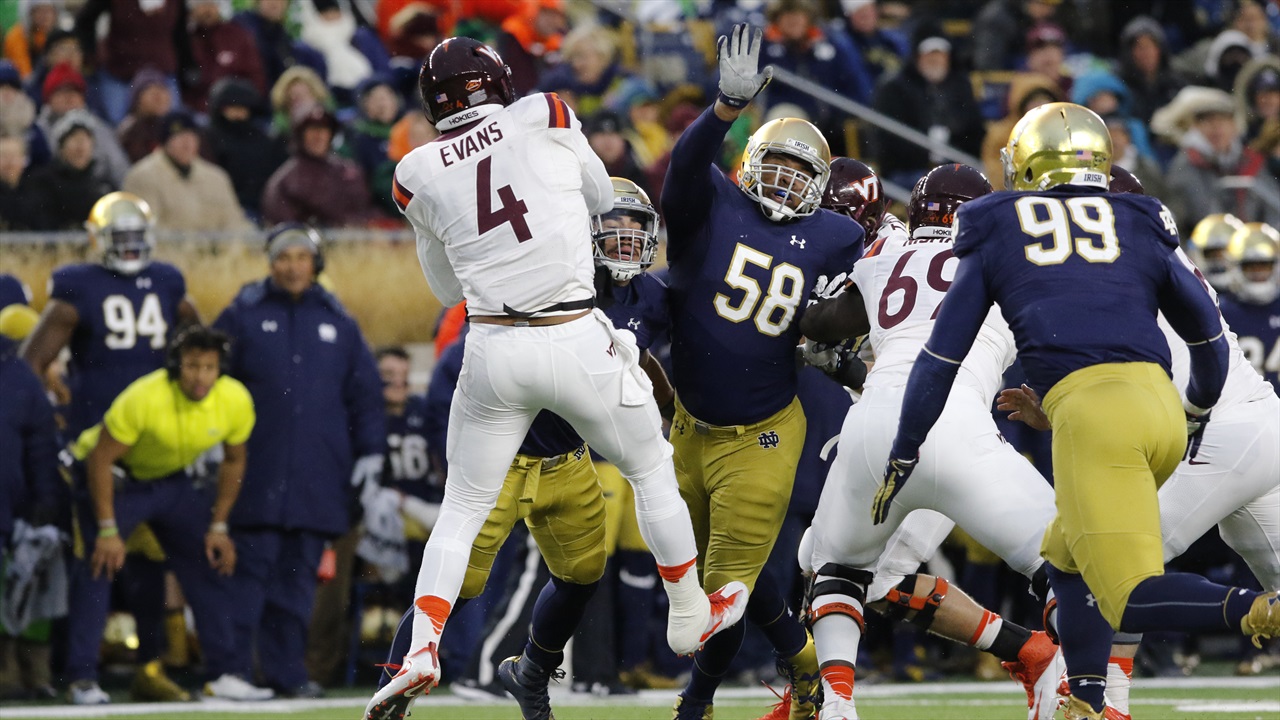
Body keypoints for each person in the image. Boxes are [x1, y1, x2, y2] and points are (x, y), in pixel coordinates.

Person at [366, 37, 747, 720]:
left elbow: (445, 287)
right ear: (497, 83)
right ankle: (688, 611)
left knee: (460, 508)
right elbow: (599, 195)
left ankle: (421, 647)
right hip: (571, 333)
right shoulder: (544, 112)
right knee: (650, 465)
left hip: (492, 346)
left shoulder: (416, 170)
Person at [881, 102, 1277, 720]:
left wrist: (904, 446)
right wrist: (1190, 409)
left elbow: (943, 358)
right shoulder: (1142, 230)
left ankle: (1120, 694)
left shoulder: (1021, 230)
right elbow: (1199, 341)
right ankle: (1087, 699)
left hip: (1168, 425)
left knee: (1121, 586)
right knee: (1065, 557)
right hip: (1226, 416)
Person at [997, 171, 1279, 720]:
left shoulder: (1117, 270)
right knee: (1083, 558)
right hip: (1253, 424)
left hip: (1216, 431)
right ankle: (1094, 699)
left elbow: (1134, 386)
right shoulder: (1146, 260)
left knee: (1108, 567)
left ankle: (1103, 704)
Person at [799, 163, 1062, 720]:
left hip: (873, 429)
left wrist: (825, 334)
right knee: (1070, 563)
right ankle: (1085, 685)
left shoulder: (885, 257)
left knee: (835, 568)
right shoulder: (1008, 260)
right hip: (958, 428)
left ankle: (837, 704)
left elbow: (820, 324)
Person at [660, 24, 865, 720]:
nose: (785, 178)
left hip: (764, 431)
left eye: (801, 172)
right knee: (705, 580)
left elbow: (852, 314)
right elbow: (683, 170)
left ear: (821, 187)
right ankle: (804, 665)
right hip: (687, 426)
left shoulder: (838, 237)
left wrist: (841, 350)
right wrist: (723, 109)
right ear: (749, 162)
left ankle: (696, 704)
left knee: (726, 588)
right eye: (775, 163)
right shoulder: (714, 202)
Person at [213, 223, 386, 699]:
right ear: (271, 263)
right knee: (247, 579)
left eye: (301, 258)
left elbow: (365, 396)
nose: (292, 267)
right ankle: (234, 672)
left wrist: (372, 452)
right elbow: (211, 379)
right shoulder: (242, 314)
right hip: (255, 473)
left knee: (297, 586)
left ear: (315, 264)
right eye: (284, 258)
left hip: (316, 477)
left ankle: (287, 674)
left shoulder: (340, 321)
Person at [62, 325, 273, 704]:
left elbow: (234, 460)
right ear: (176, 366)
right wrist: (107, 529)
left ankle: (224, 673)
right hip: (116, 478)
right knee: (99, 564)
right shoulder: (145, 396)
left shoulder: (234, 398)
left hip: (170, 479)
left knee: (208, 560)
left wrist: (219, 525)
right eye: (192, 366)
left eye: (209, 367)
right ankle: (82, 679)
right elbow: (100, 460)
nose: (201, 377)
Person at [122, 110, 251, 232]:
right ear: (165, 143)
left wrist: (230, 248)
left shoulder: (216, 178)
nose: (187, 142)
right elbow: (147, 231)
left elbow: (235, 225)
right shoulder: (143, 177)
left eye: (191, 135)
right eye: (178, 136)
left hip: (213, 249)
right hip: (169, 248)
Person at [1219, 222, 1280, 393]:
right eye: (1250, 266)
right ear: (1235, 266)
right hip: (1243, 404)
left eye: (1264, 265)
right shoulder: (1221, 312)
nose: (1258, 273)